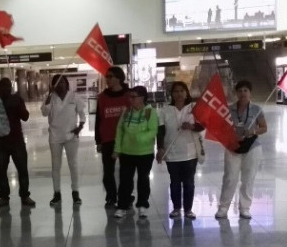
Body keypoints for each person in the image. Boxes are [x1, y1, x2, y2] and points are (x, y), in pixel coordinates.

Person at [215, 80, 267, 219]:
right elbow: (222, 128)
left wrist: (254, 131)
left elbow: (264, 127)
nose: (243, 93)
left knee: (248, 178)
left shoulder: (256, 109)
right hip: (233, 146)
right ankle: (223, 207)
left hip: (252, 147)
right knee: (230, 177)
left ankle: (245, 207)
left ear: (250, 93)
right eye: (240, 91)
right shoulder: (229, 109)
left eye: (246, 90)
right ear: (236, 93)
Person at [0, 78, 35, 208]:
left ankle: (25, 195)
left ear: (11, 88)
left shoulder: (17, 100)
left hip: (17, 141)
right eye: (3, 86)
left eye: (8, 86)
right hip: (1, 142)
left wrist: (17, 106)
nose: (6, 89)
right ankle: (4, 197)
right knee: (1, 171)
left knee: (22, 170)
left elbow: (25, 116)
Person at [156, 82, 204, 220]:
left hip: (190, 152)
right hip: (172, 152)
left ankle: (188, 209)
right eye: (176, 91)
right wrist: (160, 148)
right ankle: (176, 208)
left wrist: (192, 126)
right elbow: (160, 131)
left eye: (182, 91)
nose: (179, 94)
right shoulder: (165, 110)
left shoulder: (194, 108)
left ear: (186, 92)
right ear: (171, 94)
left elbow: (202, 125)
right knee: (175, 182)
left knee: (189, 182)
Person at [113, 86, 158, 219]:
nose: (130, 99)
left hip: (145, 153)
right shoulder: (126, 112)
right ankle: (122, 206)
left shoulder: (150, 112)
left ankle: (142, 205)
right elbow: (119, 131)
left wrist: (139, 138)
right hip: (127, 153)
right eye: (130, 97)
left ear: (142, 98)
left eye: (134, 97)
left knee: (143, 180)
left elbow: (153, 130)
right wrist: (117, 149)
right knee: (125, 180)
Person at [41, 74, 86, 206]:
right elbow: (44, 112)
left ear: (67, 84)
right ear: (53, 85)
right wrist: (49, 95)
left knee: (73, 164)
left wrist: (80, 127)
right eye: (56, 83)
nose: (60, 85)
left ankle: (75, 192)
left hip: (71, 136)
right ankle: (57, 193)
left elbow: (82, 114)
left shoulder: (74, 97)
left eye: (62, 82)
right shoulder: (50, 98)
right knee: (55, 166)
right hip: (55, 136)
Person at [95, 66, 129, 208]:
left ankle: (125, 196)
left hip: (126, 139)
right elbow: (99, 119)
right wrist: (98, 140)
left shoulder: (129, 95)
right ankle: (111, 197)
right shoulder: (102, 97)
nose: (107, 79)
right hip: (108, 139)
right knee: (108, 172)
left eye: (110, 76)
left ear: (119, 78)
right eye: (106, 76)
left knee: (126, 171)